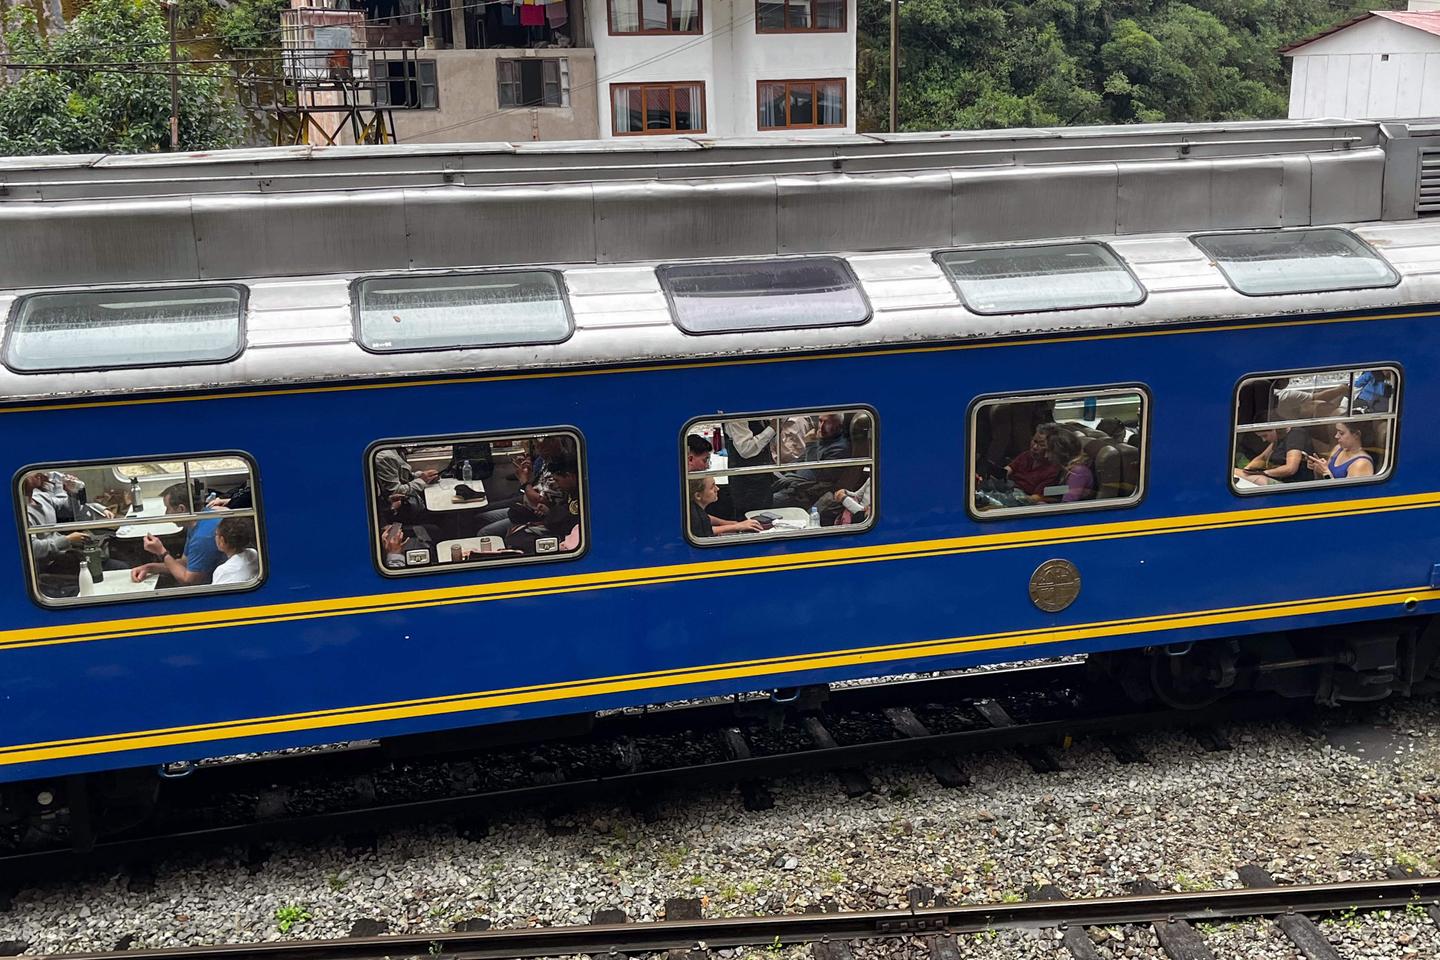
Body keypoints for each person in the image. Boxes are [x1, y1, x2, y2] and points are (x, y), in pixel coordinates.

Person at [131, 482, 224, 586]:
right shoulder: (198, 519)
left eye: (168, 508)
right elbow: (185, 563)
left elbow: (189, 580)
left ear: (181, 509)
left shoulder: (202, 537)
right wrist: (150, 567)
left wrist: (161, 552)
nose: (166, 514)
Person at [771, 413, 851, 508]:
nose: (821, 427)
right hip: (794, 482)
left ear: (839, 426)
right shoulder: (823, 439)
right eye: (821, 421)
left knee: (767, 500)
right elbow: (801, 460)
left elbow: (818, 475)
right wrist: (783, 470)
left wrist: (810, 444)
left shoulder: (840, 449)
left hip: (807, 493)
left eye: (827, 423)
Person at [723, 418, 776, 516]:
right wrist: (772, 428)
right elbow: (746, 449)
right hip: (747, 481)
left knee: (766, 517)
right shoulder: (737, 416)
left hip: (762, 475)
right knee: (750, 518)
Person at [1234, 426, 1314, 486]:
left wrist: (1264, 473)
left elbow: (1291, 468)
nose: (1264, 440)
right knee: (1236, 473)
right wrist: (1248, 469)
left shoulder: (1295, 436)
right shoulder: (1278, 440)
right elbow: (1263, 457)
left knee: (1233, 474)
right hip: (1275, 477)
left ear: (1276, 430)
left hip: (1291, 484)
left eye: (1265, 436)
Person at [687, 477, 764, 538]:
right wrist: (736, 526)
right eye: (712, 487)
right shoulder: (693, 516)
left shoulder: (695, 509)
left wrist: (727, 523)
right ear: (698, 496)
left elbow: (706, 518)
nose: (717, 489)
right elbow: (706, 531)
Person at [1005, 423, 1064, 497]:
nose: (1035, 447)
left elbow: (1035, 497)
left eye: (1041, 445)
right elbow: (1008, 469)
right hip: (1008, 488)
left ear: (1051, 448)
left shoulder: (1052, 470)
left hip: (1023, 498)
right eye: (1035, 441)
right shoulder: (1026, 455)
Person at [1308, 421, 1376, 480]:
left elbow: (1350, 493)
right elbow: (1324, 478)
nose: (1336, 436)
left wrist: (1326, 473)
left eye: (1341, 433)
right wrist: (1318, 468)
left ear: (1356, 434)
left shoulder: (1361, 464)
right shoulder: (1338, 449)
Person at [1047, 431, 1095, 503]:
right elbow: (1062, 491)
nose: (1046, 456)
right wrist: (1040, 497)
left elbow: (1066, 504)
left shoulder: (1078, 472)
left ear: (1060, 453)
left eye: (1049, 451)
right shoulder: (1065, 468)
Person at [374, 446, 439, 498]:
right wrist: (422, 481)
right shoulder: (386, 457)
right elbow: (395, 492)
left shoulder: (396, 449)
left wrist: (421, 475)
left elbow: (402, 476)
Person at [211, 516, 260, 585]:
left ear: (222, 541)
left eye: (216, 534)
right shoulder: (253, 553)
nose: (215, 537)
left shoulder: (223, 571)